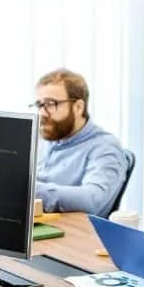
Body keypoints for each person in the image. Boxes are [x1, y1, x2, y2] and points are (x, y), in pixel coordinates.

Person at [31, 68, 128, 217]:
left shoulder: (105, 147)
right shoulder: (45, 137)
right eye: (39, 105)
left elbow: (92, 200)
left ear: (78, 107)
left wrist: (31, 190)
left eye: (51, 104)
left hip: (71, 234)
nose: (42, 114)